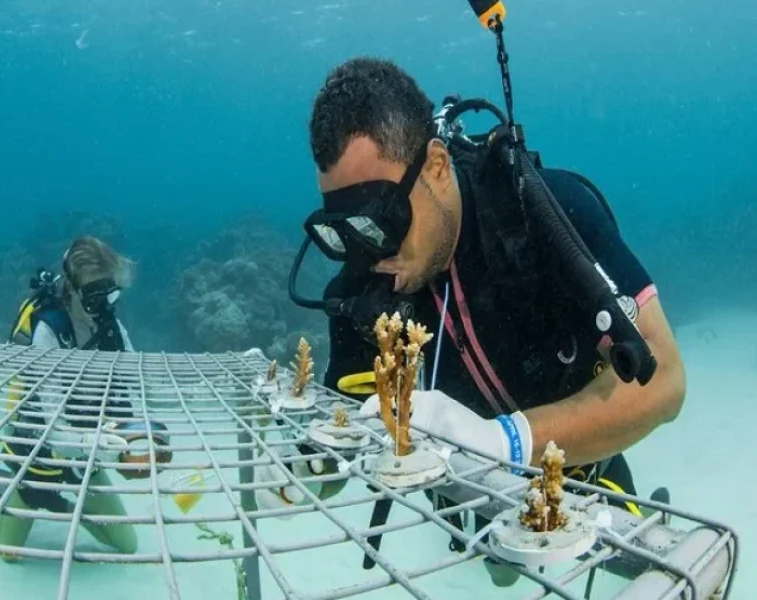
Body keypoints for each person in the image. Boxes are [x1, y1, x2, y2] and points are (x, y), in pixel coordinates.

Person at [293, 57, 685, 570]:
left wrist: (506, 440)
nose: (372, 255)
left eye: (381, 220)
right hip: (471, 496)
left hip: (581, 462)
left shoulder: (544, 213)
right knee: (502, 570)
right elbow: (340, 432)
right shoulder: (361, 292)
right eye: (347, 232)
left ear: (435, 165)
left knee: (634, 558)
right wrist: (302, 464)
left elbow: (666, 382)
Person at [0, 236, 145, 558]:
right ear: (72, 290)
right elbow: (52, 429)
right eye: (95, 296)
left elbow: (134, 383)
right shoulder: (48, 331)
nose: (106, 305)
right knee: (7, 552)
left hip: (86, 453)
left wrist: (136, 435)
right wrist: (95, 440)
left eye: (112, 292)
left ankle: (63, 505)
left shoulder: (111, 325)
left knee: (127, 544)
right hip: (38, 451)